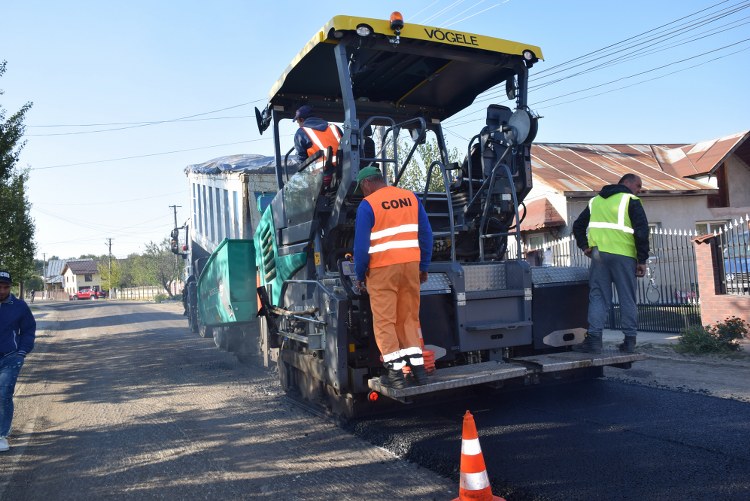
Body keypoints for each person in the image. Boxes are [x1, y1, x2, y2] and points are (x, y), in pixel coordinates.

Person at [352, 166, 434, 388]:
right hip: (410, 267)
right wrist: (423, 266)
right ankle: (419, 372)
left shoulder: (368, 204)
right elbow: (426, 235)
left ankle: (395, 376)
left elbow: (361, 248)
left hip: (382, 270)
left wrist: (359, 274)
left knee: (385, 321)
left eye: (362, 188)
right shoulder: (410, 198)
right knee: (409, 318)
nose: (362, 193)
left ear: (367, 183)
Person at [572, 174, 649, 354]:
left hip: (599, 256)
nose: (639, 190)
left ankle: (594, 341)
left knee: (598, 297)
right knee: (627, 298)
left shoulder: (595, 201)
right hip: (624, 256)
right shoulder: (631, 200)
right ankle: (629, 342)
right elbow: (642, 232)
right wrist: (642, 260)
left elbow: (577, 225)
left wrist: (584, 246)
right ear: (627, 183)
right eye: (638, 186)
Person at [0, 270, 36, 452]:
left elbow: (28, 330)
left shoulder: (20, 306)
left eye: (6, 287)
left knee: (4, 395)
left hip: (10, 358)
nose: (2, 290)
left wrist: (21, 352)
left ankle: (1, 435)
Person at [293, 105, 343, 188]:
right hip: (344, 172)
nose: (299, 125)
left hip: (321, 178)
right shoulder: (334, 128)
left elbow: (302, 162)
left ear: (301, 119)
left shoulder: (301, 132)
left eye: (298, 122)